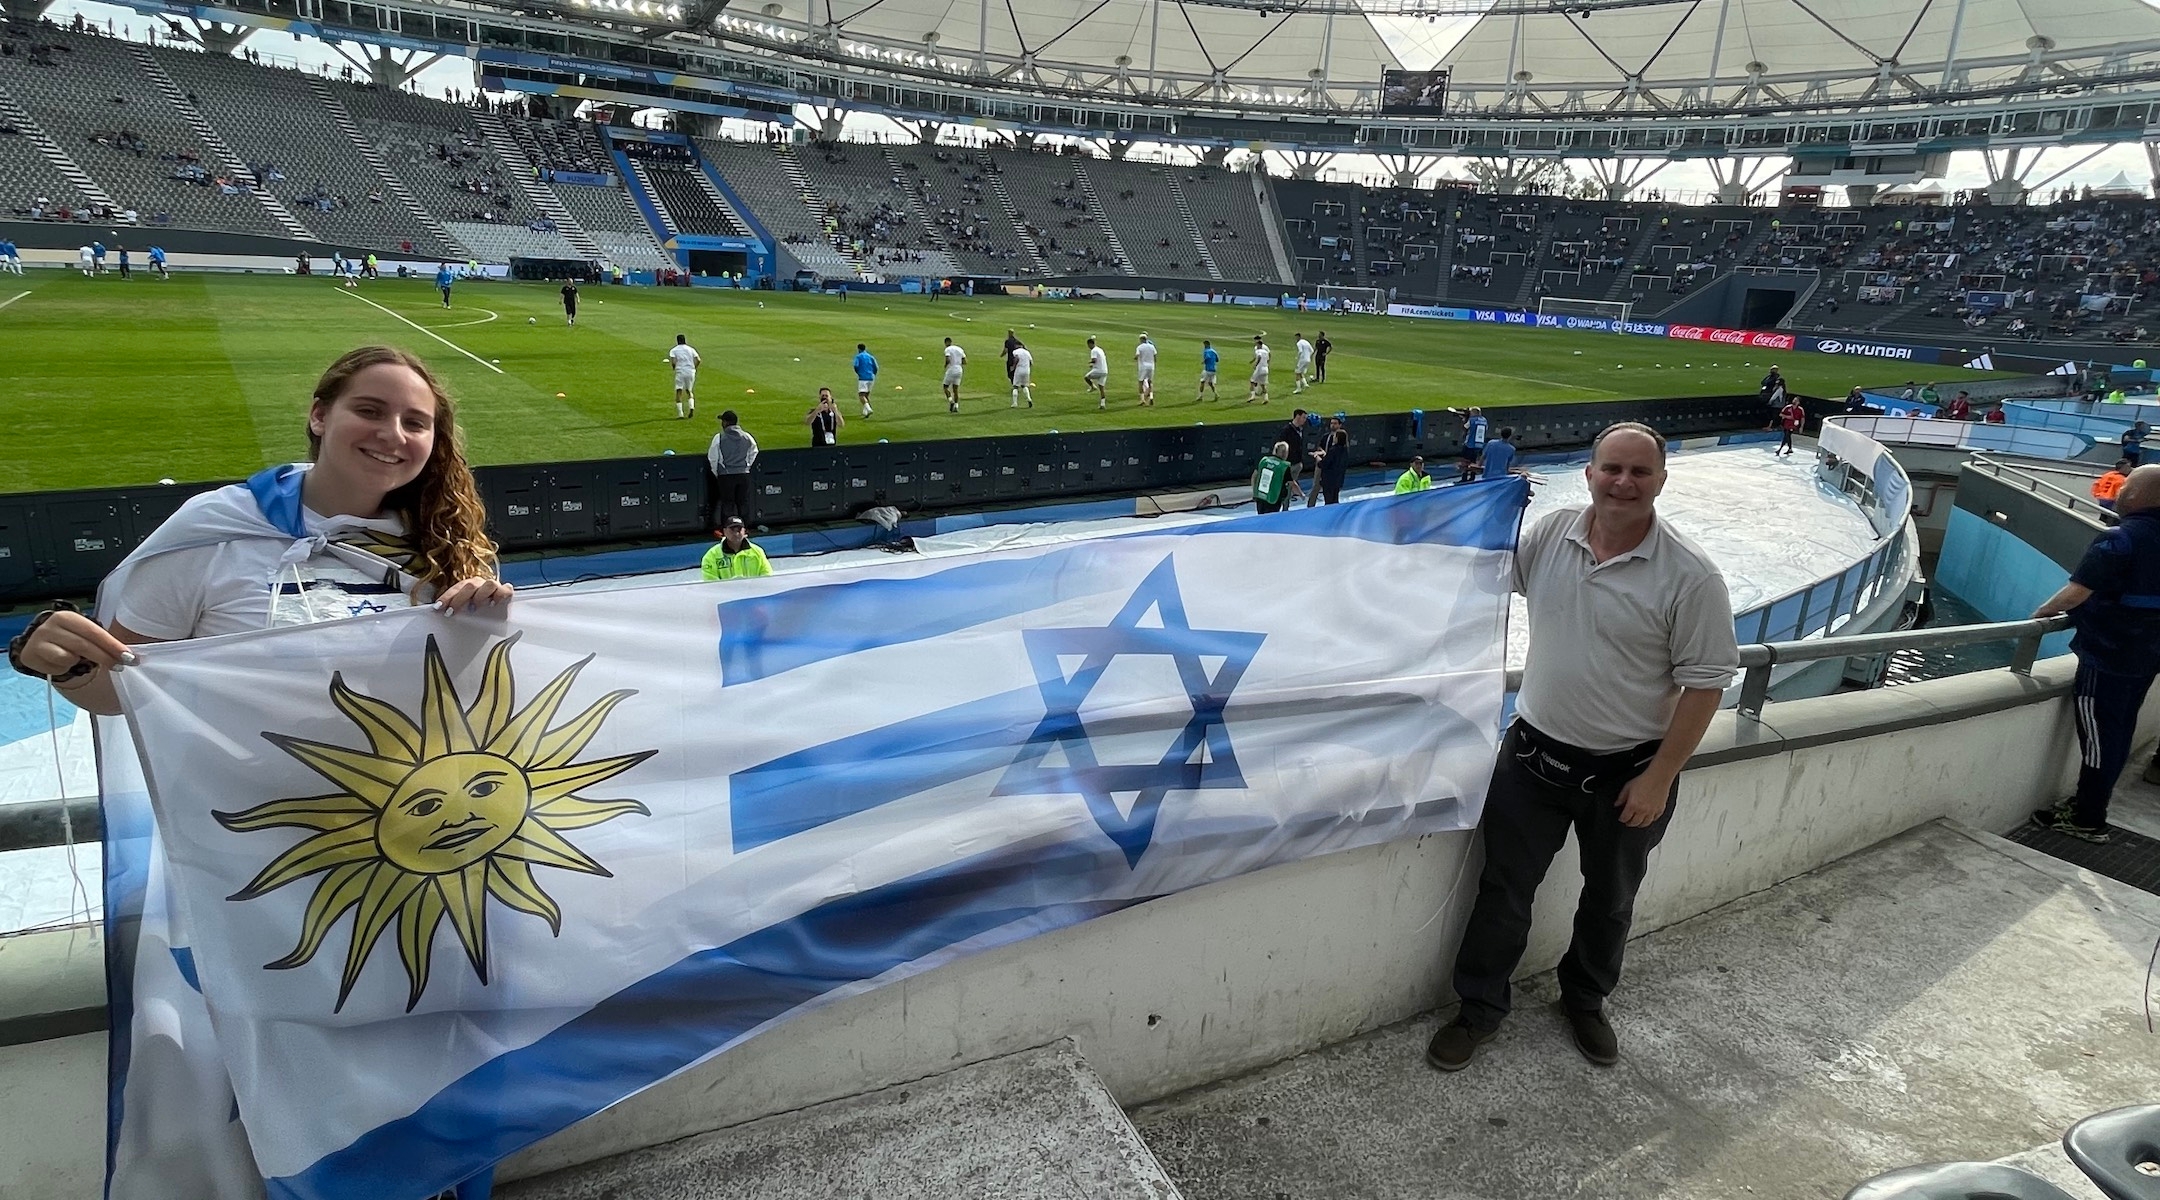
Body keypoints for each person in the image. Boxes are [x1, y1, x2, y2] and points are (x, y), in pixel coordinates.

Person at [1431, 422, 1739, 1072]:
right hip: (1533, 758)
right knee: (1503, 890)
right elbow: (1484, 572)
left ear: (1660, 481)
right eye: (1612, 469)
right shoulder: (1551, 534)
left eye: (1639, 472)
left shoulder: (1691, 577)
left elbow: (1706, 686)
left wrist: (1659, 777)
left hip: (1629, 774)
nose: (1623, 483)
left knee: (1610, 899)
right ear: (1589, 473)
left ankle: (1586, 1000)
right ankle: (1478, 1009)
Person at [6, 345, 512, 721]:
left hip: (410, 833)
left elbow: (469, 694)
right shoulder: (213, 529)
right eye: (369, 410)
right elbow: (122, 691)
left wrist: (484, 629)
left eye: (415, 422)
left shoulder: (450, 543)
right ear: (319, 415)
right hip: (253, 840)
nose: (393, 434)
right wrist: (68, 665)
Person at [2030, 465, 2160, 843]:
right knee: (2120, 731)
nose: (2117, 494)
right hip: (2146, 658)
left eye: (2124, 489)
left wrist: (2039, 616)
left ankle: (2088, 817)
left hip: (2108, 657)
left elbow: (2076, 593)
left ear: (2135, 497)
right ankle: (2088, 808)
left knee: (2100, 737)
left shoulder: (2119, 539)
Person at [707, 409, 759, 528]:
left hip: (726, 476)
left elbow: (713, 457)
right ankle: (744, 529)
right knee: (743, 503)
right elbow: (754, 451)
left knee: (728, 504)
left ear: (725, 422)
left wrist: (717, 472)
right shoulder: (747, 436)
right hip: (743, 474)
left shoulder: (719, 437)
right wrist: (746, 466)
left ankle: (727, 530)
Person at [700, 516, 772, 581]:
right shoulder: (711, 556)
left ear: (744, 531)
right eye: (732, 529)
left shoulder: (758, 552)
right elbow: (710, 583)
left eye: (739, 529)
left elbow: (767, 577)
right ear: (724, 531)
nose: (736, 533)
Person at [1307, 415, 1349, 506]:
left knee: (1331, 494)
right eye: (1331, 423)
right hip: (1323, 465)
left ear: (1340, 425)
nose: (1333, 425)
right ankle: (1310, 506)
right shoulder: (1326, 436)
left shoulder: (1340, 442)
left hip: (1329, 468)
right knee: (1316, 486)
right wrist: (1321, 453)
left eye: (1335, 423)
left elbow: (1333, 455)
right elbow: (1321, 447)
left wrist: (1319, 457)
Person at [1276, 410, 1310, 504]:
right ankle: (1283, 505)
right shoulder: (1286, 430)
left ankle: (1286, 505)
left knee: (1290, 487)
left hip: (1297, 463)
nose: (1305, 420)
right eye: (1303, 417)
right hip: (1288, 464)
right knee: (1287, 485)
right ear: (1297, 416)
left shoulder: (1300, 429)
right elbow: (1280, 446)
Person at [1251, 441, 1293, 514]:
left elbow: (1254, 476)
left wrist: (1255, 492)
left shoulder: (1264, 461)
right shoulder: (1284, 466)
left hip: (1261, 497)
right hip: (1274, 499)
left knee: (1261, 518)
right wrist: (1301, 494)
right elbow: (1291, 483)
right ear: (1285, 453)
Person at [668, 333, 701, 419]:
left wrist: (674, 367)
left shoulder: (674, 350)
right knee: (689, 391)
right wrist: (694, 368)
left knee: (679, 391)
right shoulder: (691, 349)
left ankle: (680, 414)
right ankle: (691, 407)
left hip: (680, 371)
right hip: (690, 371)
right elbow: (698, 360)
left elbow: (674, 361)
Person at [1451, 406, 1489, 483]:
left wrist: (1465, 420)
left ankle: (1464, 478)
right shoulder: (1484, 420)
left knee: (1465, 461)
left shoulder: (1472, 420)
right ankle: (1472, 477)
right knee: (1474, 461)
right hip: (1479, 445)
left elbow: (1465, 427)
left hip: (1470, 444)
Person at [853, 343, 878, 418]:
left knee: (861, 395)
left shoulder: (858, 356)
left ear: (858, 349)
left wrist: (858, 373)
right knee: (866, 395)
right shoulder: (870, 356)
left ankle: (869, 409)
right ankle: (865, 412)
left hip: (863, 378)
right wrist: (873, 374)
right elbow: (876, 367)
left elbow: (856, 366)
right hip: (871, 378)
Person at [941, 336, 966, 413]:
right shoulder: (960, 349)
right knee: (955, 389)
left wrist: (945, 365)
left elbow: (948, 359)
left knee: (945, 387)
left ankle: (951, 401)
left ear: (946, 343)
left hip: (952, 369)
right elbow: (965, 362)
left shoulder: (947, 349)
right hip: (959, 369)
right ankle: (956, 406)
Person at [1084, 336, 1109, 408]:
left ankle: (1092, 387)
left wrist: (1090, 362)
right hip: (1105, 370)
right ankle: (1102, 404)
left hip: (1099, 370)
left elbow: (1094, 360)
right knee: (1101, 388)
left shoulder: (1093, 351)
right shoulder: (1100, 349)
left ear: (1090, 344)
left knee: (1086, 377)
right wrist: (1093, 365)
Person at [1134, 334, 1158, 407]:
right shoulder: (1152, 346)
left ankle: (1142, 400)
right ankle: (1151, 397)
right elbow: (1155, 356)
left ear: (1141, 339)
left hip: (1143, 366)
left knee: (1141, 382)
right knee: (1150, 382)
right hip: (1151, 366)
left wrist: (1135, 358)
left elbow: (1137, 355)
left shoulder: (1139, 347)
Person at [1246, 335, 1271, 404]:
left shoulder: (1258, 351)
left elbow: (1259, 357)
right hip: (1266, 369)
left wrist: (1255, 364)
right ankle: (1266, 398)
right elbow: (1268, 359)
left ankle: (1252, 396)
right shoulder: (1266, 352)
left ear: (1259, 345)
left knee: (1252, 381)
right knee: (1263, 385)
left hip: (1259, 369)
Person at [1010, 341, 1035, 408]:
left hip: (1019, 370)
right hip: (1027, 370)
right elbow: (1031, 362)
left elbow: (1016, 358)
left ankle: (1015, 403)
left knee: (1015, 386)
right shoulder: (1027, 352)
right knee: (1024, 386)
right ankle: (1029, 399)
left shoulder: (1016, 351)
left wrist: (1013, 367)